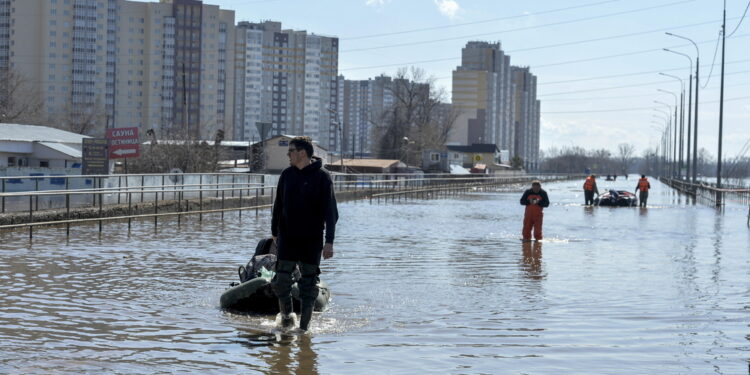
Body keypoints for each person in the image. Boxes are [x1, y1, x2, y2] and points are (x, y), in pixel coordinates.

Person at [271, 136, 338, 332]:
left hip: (312, 240)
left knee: (308, 287)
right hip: (287, 238)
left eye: (290, 151)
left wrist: (329, 242)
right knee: (281, 281)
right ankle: (286, 320)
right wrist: (274, 231)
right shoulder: (287, 175)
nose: (288, 155)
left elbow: (331, 213)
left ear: (302, 153)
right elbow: (278, 206)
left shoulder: (322, 177)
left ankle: (303, 329)